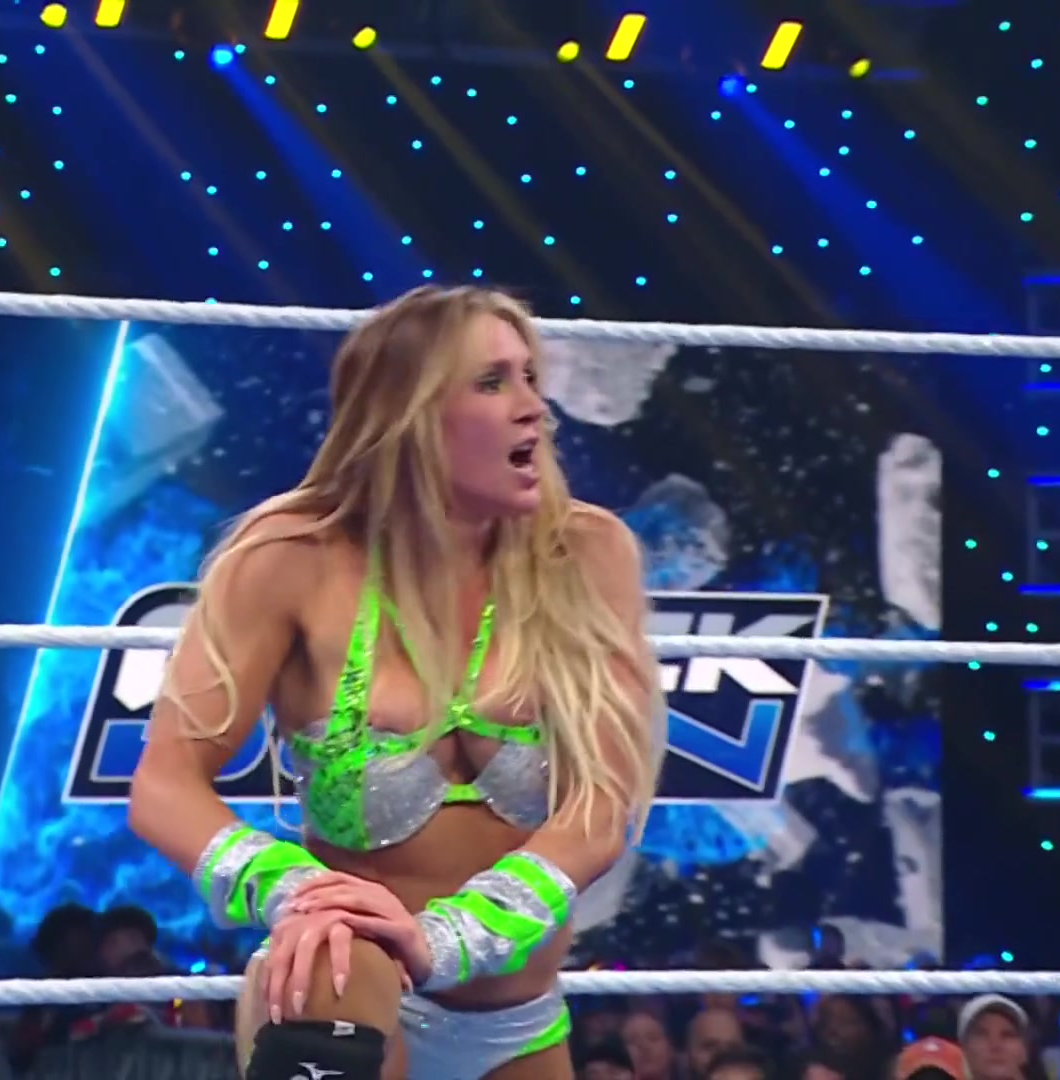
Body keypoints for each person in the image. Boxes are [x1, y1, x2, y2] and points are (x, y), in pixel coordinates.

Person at [127, 284, 667, 1080]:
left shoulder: (586, 553)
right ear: (410, 414)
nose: (534, 408)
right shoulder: (291, 556)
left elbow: (600, 807)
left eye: (530, 378)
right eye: (492, 383)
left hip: (515, 1017)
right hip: (347, 982)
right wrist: (297, 891)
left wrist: (445, 940)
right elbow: (164, 784)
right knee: (326, 959)